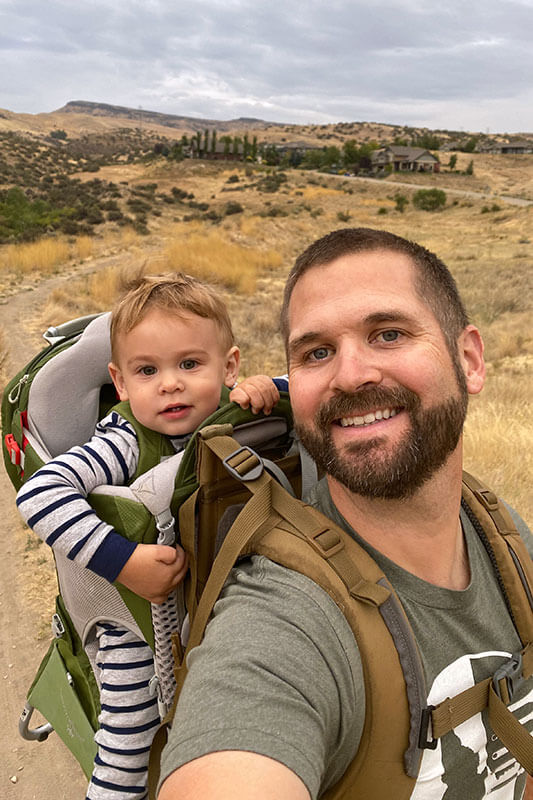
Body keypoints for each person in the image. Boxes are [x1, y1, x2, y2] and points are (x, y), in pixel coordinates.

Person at [157, 229, 533, 799]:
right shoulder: (282, 622)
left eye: (388, 334)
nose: (350, 375)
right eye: (317, 352)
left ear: (470, 360)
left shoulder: (501, 532)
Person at [16, 272, 284, 800]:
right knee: (128, 739)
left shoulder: (237, 412)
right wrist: (124, 562)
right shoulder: (128, 441)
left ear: (229, 366)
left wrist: (271, 388)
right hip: (133, 617)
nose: (170, 384)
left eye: (190, 364)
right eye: (147, 371)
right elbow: (39, 492)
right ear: (120, 383)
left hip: (218, 594)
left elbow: (312, 391)